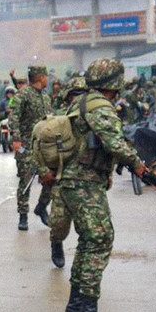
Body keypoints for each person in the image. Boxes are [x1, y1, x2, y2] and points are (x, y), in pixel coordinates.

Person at [46, 60, 146, 312]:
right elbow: (115, 143)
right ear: (114, 82)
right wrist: (139, 166)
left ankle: (76, 305)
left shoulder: (79, 102)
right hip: (85, 182)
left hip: (71, 181)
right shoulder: (101, 107)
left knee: (87, 241)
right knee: (100, 239)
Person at [47, 77, 86, 269]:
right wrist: (43, 170)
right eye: (75, 95)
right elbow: (42, 145)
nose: (79, 98)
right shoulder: (59, 118)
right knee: (59, 222)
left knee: (88, 225)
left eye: (83, 94)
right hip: (62, 176)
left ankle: (84, 260)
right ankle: (56, 243)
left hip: (88, 178)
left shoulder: (94, 116)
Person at [11, 65, 52, 231]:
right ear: (41, 77)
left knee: (51, 178)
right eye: (46, 76)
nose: (48, 79)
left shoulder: (46, 97)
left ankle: (41, 207)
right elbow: (13, 117)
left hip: (45, 146)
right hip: (26, 146)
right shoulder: (22, 95)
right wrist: (16, 139)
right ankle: (23, 215)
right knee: (26, 180)